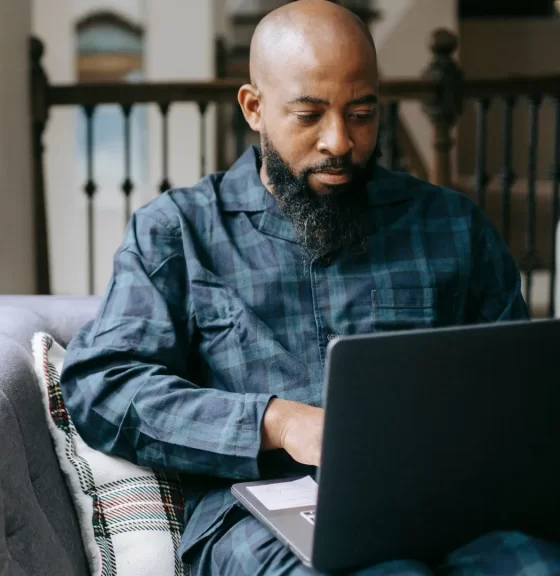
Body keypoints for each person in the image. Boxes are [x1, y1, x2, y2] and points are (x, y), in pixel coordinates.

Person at [58, 1, 560, 574]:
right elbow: (103, 386)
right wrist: (275, 422)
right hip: (261, 520)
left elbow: (523, 394)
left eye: (363, 113)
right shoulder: (178, 231)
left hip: (447, 507)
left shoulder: (451, 226)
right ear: (254, 107)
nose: (340, 142)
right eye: (309, 115)